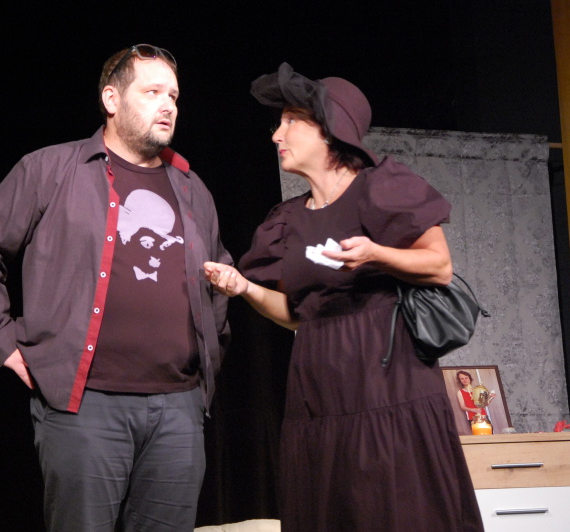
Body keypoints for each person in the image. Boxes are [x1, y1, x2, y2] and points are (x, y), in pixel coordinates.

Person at [0, 44, 232, 532]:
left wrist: (207, 360)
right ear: (111, 99)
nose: (168, 105)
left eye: (173, 96)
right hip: (86, 406)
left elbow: (219, 276)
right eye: (152, 92)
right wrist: (4, 342)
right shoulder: (50, 169)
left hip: (178, 408)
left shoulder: (192, 188)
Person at [204, 63, 484, 531]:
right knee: (332, 509)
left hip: (386, 377)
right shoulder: (288, 219)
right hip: (318, 385)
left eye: (292, 121)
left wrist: (376, 253)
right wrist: (245, 287)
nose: (277, 135)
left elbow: (439, 265)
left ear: (330, 129)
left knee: (397, 506)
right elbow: (296, 316)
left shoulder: (378, 187)